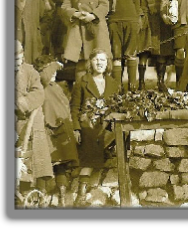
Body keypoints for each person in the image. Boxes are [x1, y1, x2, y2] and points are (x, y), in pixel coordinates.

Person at [70, 48, 119, 206]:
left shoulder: (113, 84)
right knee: (91, 140)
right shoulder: (82, 82)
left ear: (107, 63)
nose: (99, 63)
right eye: (96, 60)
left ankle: (82, 193)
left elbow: (117, 107)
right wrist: (76, 128)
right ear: (90, 62)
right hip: (87, 126)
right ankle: (80, 194)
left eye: (103, 60)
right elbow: (75, 108)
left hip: (107, 126)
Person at [33, 55, 79, 207]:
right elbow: (44, 77)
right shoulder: (39, 85)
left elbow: (66, 108)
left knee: (62, 166)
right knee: (43, 166)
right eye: (50, 70)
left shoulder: (56, 86)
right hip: (48, 132)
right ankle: (40, 198)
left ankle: (62, 198)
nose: (54, 73)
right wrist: (55, 64)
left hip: (62, 131)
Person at [14, 40, 54, 205]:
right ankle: (20, 192)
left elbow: (38, 93)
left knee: (37, 158)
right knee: (19, 159)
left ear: (23, 56)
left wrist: (22, 103)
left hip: (31, 121)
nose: (16, 63)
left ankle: (39, 193)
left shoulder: (30, 72)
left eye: (18, 59)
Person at [61, 0, 112, 83]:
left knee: (98, 58)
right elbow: (64, 7)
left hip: (95, 27)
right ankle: (81, 88)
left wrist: (93, 15)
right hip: (78, 28)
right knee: (81, 60)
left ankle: (101, 88)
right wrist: (75, 13)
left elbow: (105, 6)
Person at [99, 0, 143, 92]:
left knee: (131, 53)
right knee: (116, 54)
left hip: (131, 21)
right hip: (113, 22)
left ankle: (132, 87)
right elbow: (103, 2)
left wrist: (137, 20)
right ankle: (117, 87)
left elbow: (136, 3)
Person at [137, 0, 173, 92]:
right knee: (144, 51)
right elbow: (139, 0)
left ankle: (160, 81)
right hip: (147, 19)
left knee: (161, 51)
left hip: (161, 20)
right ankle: (141, 82)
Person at [14, 0, 46, 65]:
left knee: (32, 64)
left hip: (33, 40)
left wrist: (39, 31)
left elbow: (45, 18)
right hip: (17, 39)